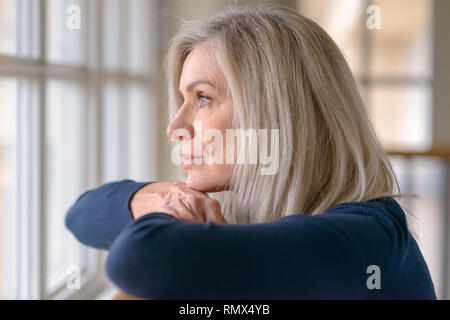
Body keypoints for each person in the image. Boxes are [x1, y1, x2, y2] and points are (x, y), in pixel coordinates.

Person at [65, 4, 437, 299]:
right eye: (183, 99)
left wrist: (177, 215)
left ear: (275, 113)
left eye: (203, 98)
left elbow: (142, 258)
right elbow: (81, 216)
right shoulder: (244, 212)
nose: (175, 127)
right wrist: (166, 200)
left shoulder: (368, 240)